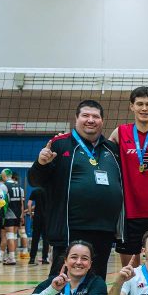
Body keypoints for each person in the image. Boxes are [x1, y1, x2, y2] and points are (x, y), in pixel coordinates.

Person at [29, 100, 123, 278]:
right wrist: (41, 163)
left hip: (104, 229)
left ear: (102, 121)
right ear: (76, 119)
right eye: (85, 115)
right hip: (70, 228)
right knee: (62, 279)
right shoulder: (59, 144)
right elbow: (35, 180)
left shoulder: (111, 149)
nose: (90, 120)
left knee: (97, 280)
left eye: (95, 116)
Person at [110, 87, 148, 268]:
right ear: (132, 107)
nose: (144, 108)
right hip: (130, 213)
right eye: (140, 104)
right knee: (129, 272)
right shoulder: (120, 133)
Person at [2, 168, 25, 265]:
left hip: (9, 213)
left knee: (9, 236)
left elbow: (1, 202)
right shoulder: (19, 187)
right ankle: (12, 256)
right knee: (14, 236)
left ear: (4, 176)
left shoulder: (4, 186)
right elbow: (22, 203)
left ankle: (11, 258)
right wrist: (22, 215)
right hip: (18, 213)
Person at [27, 186, 50, 265]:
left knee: (35, 238)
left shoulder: (35, 191)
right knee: (46, 239)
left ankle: (32, 258)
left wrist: (30, 214)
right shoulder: (49, 190)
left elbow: (29, 204)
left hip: (37, 217)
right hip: (47, 218)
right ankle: (44, 258)